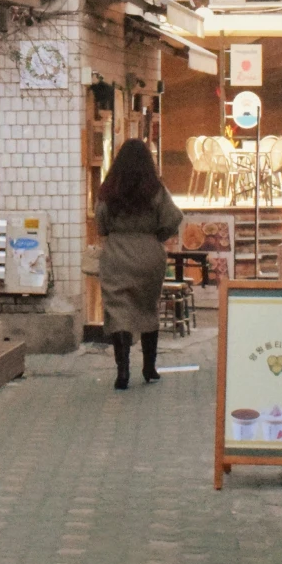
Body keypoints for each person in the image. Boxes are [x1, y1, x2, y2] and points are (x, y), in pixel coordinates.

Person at [96, 138, 183, 390]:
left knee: (118, 310)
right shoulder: (155, 189)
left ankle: (122, 371)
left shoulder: (108, 190)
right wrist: (157, 236)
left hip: (116, 254)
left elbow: (101, 223)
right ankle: (149, 368)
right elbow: (173, 217)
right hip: (148, 254)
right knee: (147, 308)